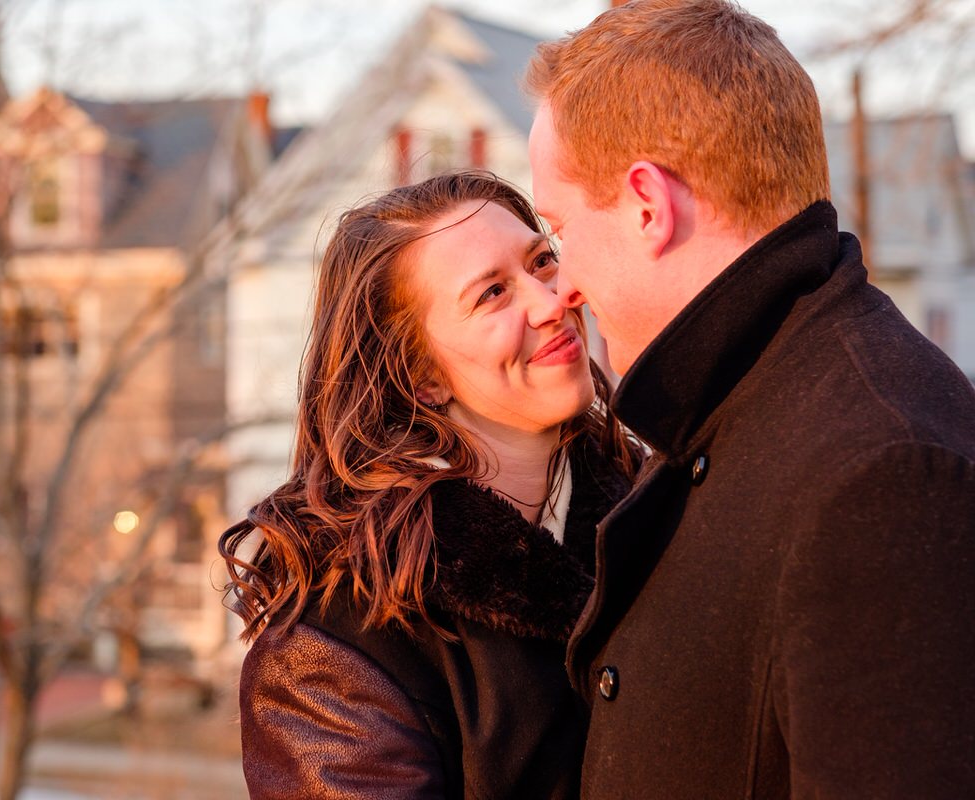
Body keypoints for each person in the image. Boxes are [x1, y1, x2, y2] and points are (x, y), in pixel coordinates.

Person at [525, 1, 975, 797]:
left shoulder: (883, 470)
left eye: (559, 235)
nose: (562, 289)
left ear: (646, 205)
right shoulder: (738, 400)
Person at [219, 171, 639, 799]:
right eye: (493, 293)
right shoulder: (333, 649)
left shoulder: (660, 514)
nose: (554, 302)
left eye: (542, 261)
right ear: (421, 377)